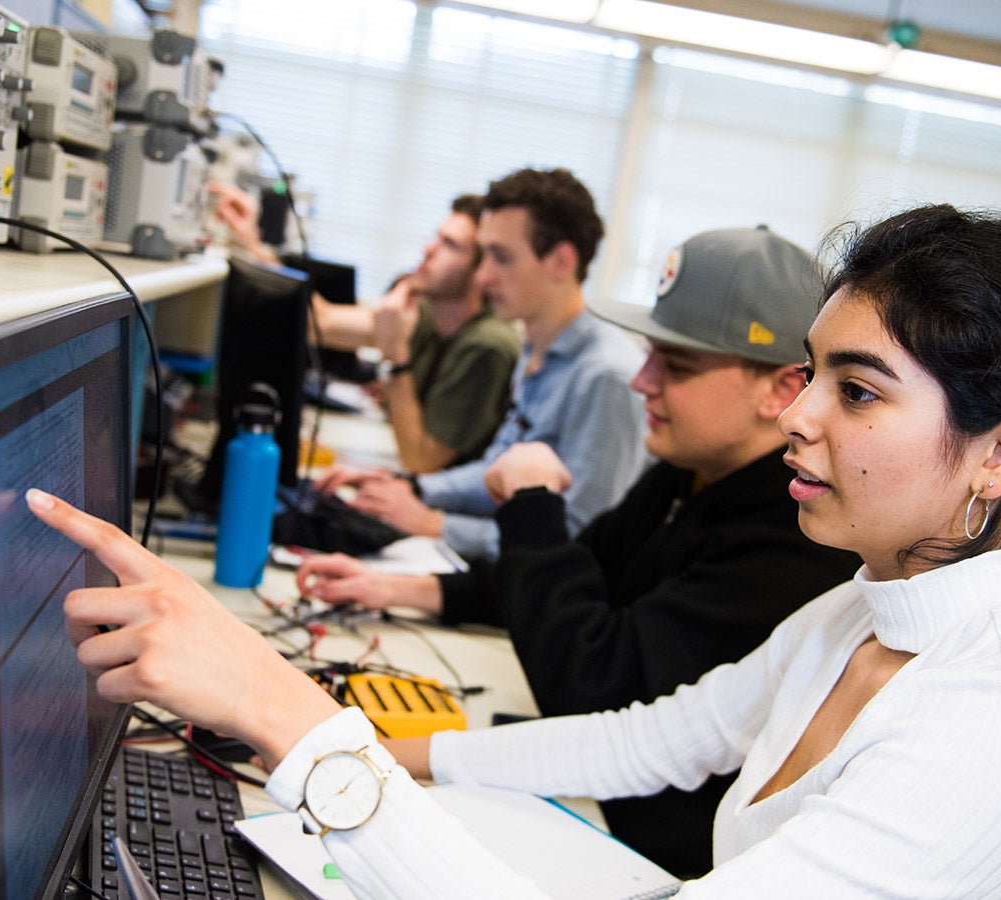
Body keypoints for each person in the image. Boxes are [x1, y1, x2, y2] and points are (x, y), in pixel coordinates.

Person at [27, 205, 1001, 896]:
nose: (798, 417)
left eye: (858, 391)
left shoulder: (994, 729)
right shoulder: (864, 608)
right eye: (810, 374)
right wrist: (404, 756)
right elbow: (654, 737)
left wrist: (292, 721)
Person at [292, 226, 862, 875]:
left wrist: (531, 506)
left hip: (643, 848)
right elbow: (584, 571)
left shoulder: (793, 539)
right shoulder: (695, 470)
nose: (641, 381)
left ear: (783, 390)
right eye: (649, 354)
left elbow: (594, 688)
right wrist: (399, 589)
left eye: (674, 366)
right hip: (595, 795)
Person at [319, 167, 649, 561]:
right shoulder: (537, 346)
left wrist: (433, 524)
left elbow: (578, 538)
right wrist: (412, 488)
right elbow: (495, 471)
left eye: (501, 257)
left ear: (561, 262)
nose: (483, 275)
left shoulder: (606, 377)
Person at [212, 185, 521, 472]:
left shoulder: (487, 345)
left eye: (450, 245)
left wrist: (397, 357)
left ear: (482, 268)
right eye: (436, 237)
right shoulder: (426, 314)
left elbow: (422, 462)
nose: (429, 249)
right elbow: (320, 323)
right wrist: (250, 241)